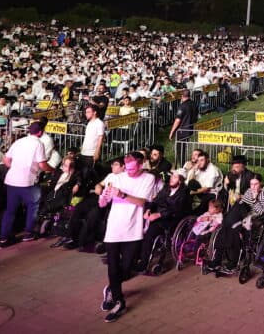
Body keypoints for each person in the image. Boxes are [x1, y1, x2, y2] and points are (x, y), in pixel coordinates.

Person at [99, 151, 160, 323]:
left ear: (141, 165)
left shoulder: (148, 178)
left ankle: (111, 288)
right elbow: (104, 202)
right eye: (127, 168)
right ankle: (119, 301)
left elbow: (142, 202)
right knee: (112, 266)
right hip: (114, 228)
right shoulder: (117, 177)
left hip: (133, 229)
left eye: (133, 169)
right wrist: (104, 198)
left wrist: (122, 195)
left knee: (127, 267)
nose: (129, 172)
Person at [0, 121, 55, 248]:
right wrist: (53, 170)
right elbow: (42, 164)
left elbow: (6, 159)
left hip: (12, 180)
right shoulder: (38, 143)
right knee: (33, 206)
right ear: (40, 132)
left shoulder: (19, 141)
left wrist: (16, 168)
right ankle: (29, 233)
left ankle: (3, 239)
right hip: (27, 181)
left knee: (10, 210)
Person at [167, 89, 197, 160]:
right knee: (184, 148)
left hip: (182, 130)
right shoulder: (194, 104)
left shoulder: (182, 106)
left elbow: (177, 120)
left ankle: (182, 165)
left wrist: (172, 132)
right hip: (190, 128)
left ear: (182, 96)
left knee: (180, 151)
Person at [78, 104, 105, 171]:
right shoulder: (89, 123)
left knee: (89, 173)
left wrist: (97, 151)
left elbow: (101, 137)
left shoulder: (99, 123)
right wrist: (82, 146)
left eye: (88, 112)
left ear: (94, 112)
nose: (86, 114)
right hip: (84, 152)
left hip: (91, 153)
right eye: (86, 112)